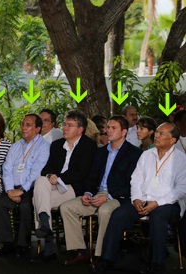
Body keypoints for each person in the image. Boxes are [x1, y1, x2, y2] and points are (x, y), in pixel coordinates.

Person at [92, 123, 186, 274]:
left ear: (173, 140)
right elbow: (135, 180)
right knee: (118, 214)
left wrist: (157, 203)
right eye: (156, 132)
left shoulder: (181, 159)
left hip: (169, 203)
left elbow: (181, 189)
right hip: (142, 200)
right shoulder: (146, 155)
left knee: (158, 216)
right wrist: (135, 199)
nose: (156, 136)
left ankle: (157, 265)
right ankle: (107, 260)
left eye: (162, 134)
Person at [59, 115, 142, 266]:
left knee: (104, 210)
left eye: (113, 128)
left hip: (118, 196)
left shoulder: (134, 153)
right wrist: (87, 193)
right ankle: (81, 251)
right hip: (97, 194)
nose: (108, 131)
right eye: (107, 128)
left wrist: (108, 196)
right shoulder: (100, 152)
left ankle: (102, 255)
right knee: (66, 207)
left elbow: (132, 184)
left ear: (124, 132)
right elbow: (91, 177)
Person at [30, 110, 97, 263]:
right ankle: (45, 222)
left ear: (80, 129)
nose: (65, 128)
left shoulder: (89, 146)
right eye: (65, 125)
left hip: (73, 187)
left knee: (38, 200)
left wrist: (59, 178)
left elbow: (81, 172)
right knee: (41, 181)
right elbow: (46, 168)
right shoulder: (56, 145)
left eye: (70, 125)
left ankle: (48, 246)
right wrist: (49, 176)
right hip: (53, 185)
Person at [0, 114, 50, 259]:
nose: (24, 128)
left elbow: (37, 171)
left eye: (28, 125)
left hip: (30, 188)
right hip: (12, 188)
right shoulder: (16, 146)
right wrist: (10, 190)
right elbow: (7, 169)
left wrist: (22, 190)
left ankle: (23, 245)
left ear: (38, 128)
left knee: (25, 206)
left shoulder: (43, 147)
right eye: (23, 124)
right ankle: (8, 244)